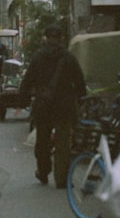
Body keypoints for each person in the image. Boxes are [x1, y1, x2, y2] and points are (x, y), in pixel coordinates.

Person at [19, 23, 87, 188]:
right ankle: (61, 178)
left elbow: (27, 81)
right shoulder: (69, 58)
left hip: (43, 106)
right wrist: (81, 100)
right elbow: (79, 82)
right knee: (63, 143)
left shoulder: (37, 58)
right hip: (64, 107)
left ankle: (43, 171)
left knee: (42, 141)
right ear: (61, 39)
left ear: (46, 38)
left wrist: (23, 101)